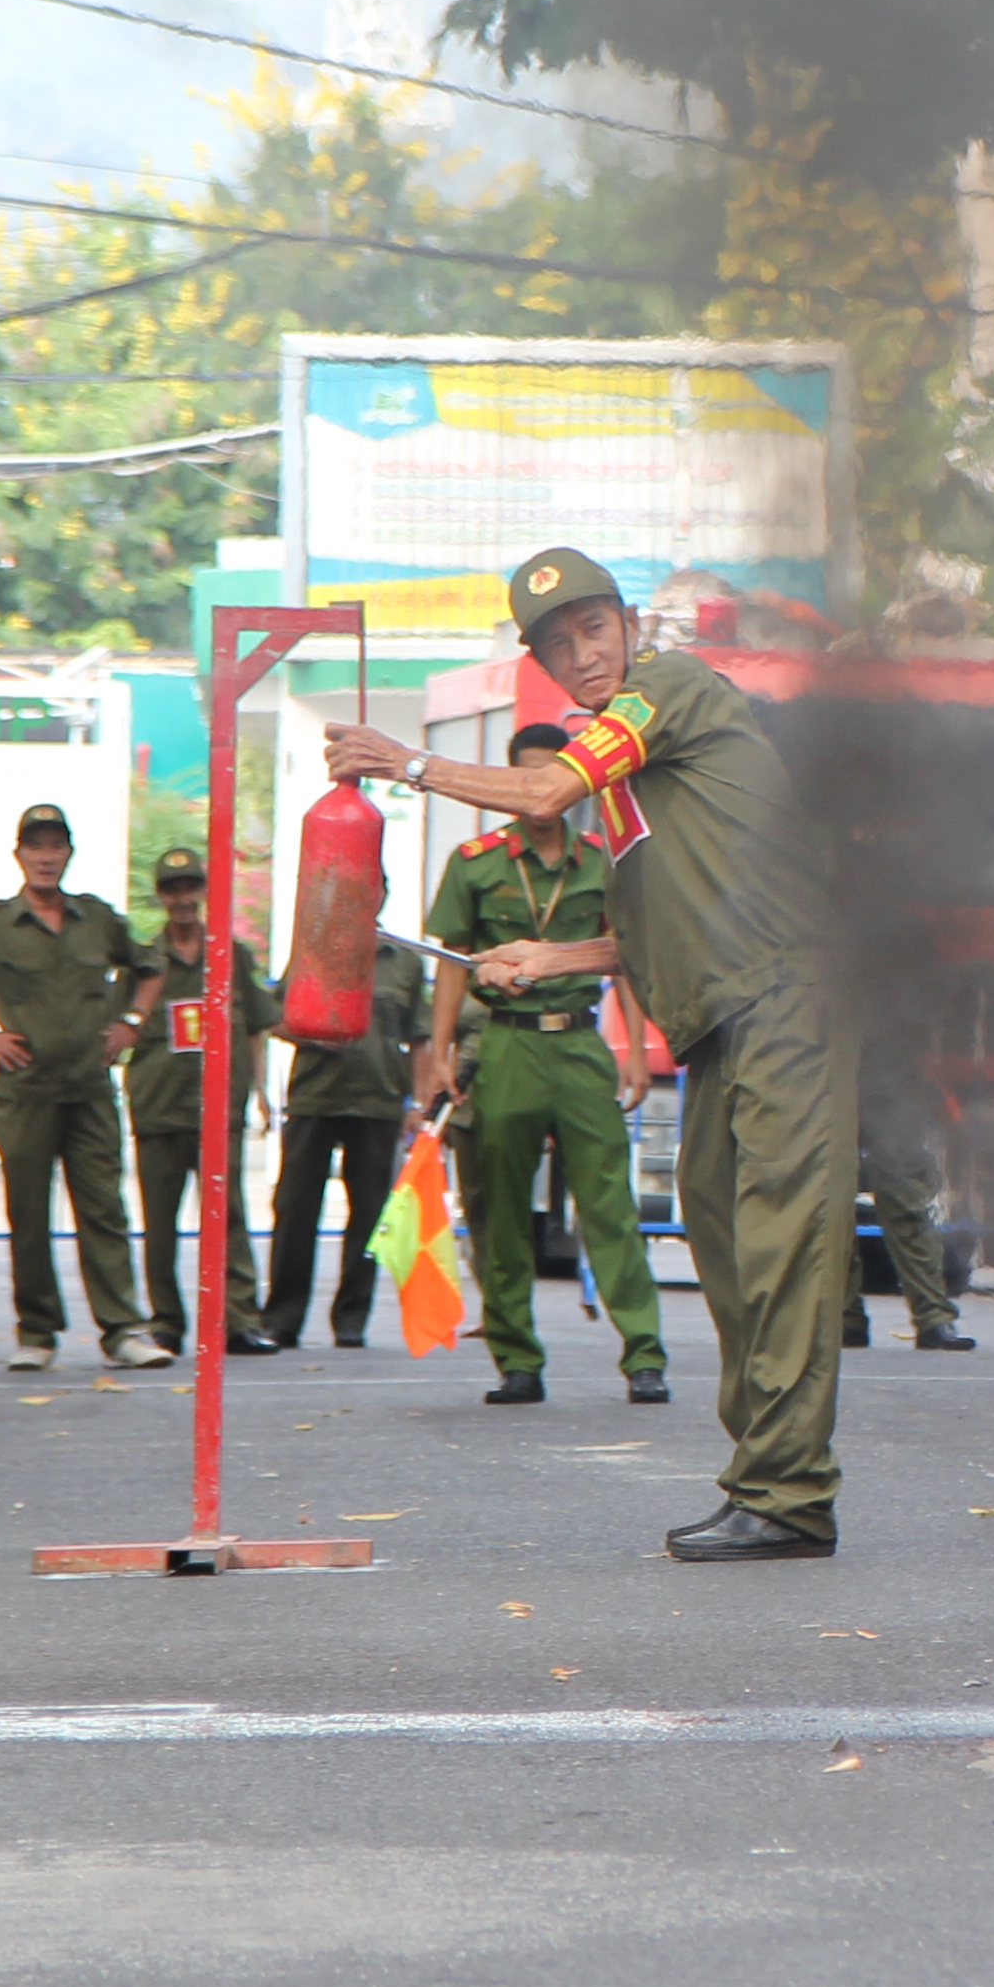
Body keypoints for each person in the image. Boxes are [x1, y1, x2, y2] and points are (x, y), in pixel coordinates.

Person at [319, 545, 864, 1565]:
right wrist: (551, 952)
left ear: (629, 626)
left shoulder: (667, 690)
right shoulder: (638, 786)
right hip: (723, 1020)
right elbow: (659, 924)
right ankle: (771, 1476)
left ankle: (788, 1495)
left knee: (779, 1246)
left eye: (594, 630)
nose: (584, 656)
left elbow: (543, 796)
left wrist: (407, 764)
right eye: (559, 646)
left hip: (789, 1003)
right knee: (722, 1238)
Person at [417, 738, 673, 1404]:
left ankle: (644, 1354)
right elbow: (452, 961)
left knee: (610, 1203)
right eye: (526, 777)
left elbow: (630, 957)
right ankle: (517, 1360)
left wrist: (638, 1048)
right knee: (501, 1206)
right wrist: (439, 1050)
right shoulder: (475, 864)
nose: (540, 791)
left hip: (580, 1046)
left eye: (552, 778)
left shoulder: (603, 862)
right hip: (508, 1046)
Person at [0, 805, 163, 1371]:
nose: (46, 857)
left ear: (69, 853)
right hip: (24, 1094)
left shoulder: (97, 919)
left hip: (90, 1091)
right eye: (36, 846)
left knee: (104, 1210)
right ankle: (37, 1333)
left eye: (56, 846)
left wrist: (132, 1023)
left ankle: (123, 1328)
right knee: (29, 1215)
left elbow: (151, 967)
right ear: (19, 854)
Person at [121, 856, 269, 1355]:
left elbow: (255, 1029)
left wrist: (263, 1093)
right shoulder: (142, 962)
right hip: (160, 1108)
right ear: (160, 895)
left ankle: (239, 1319)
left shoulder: (232, 956)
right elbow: (118, 1028)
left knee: (228, 1216)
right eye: (172, 889)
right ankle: (166, 1322)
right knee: (160, 1224)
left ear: (204, 890)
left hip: (219, 1109)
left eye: (191, 888)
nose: (182, 899)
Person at [261, 933, 430, 1348]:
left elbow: (420, 1037)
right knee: (295, 1209)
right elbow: (274, 1018)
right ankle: (283, 1317)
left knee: (369, 1215)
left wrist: (420, 1103)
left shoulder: (404, 963)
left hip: (380, 1100)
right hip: (316, 1096)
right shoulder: (313, 950)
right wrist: (310, 1033)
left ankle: (352, 1319)